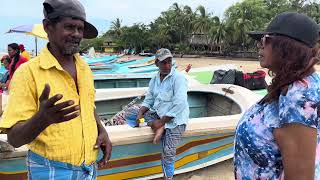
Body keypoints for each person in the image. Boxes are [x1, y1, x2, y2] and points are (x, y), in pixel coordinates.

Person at [0, 0, 112, 179]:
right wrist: (42, 119)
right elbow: (14, 139)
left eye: (80, 29)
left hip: (89, 169)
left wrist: (102, 130)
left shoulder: (84, 68)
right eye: (69, 27)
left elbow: (88, 105)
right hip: (49, 170)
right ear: (48, 27)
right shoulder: (28, 73)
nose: (76, 34)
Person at [234, 12, 320, 179]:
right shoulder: (297, 83)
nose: (259, 45)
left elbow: (300, 176)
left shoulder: (298, 97)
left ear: (286, 46)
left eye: (265, 40)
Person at [117, 48, 189, 179]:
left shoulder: (178, 78)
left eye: (169, 62)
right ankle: (158, 127)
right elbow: (149, 99)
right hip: (158, 115)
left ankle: (168, 177)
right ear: (156, 63)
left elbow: (180, 104)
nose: (167, 65)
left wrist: (161, 122)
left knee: (168, 151)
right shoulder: (155, 79)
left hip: (175, 120)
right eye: (163, 62)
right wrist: (140, 113)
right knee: (130, 112)